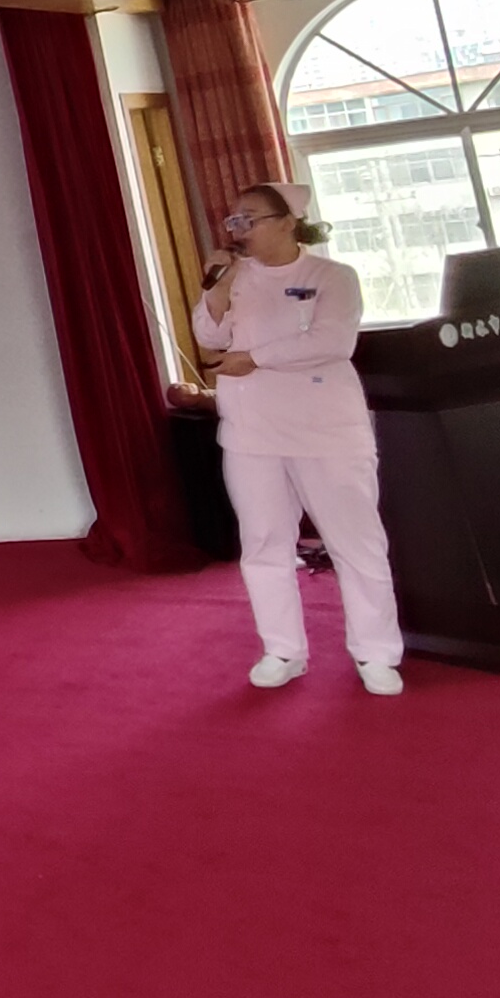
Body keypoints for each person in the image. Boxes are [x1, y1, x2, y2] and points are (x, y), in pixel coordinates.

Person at [195, 182, 406, 696]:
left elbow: (333, 341)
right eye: (235, 220)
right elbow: (209, 337)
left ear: (289, 223)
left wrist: (256, 358)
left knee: (355, 541)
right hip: (251, 430)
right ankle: (283, 650)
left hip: (326, 429)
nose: (240, 228)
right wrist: (217, 287)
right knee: (264, 542)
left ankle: (376, 652)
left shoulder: (332, 276)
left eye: (251, 218)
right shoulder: (235, 276)